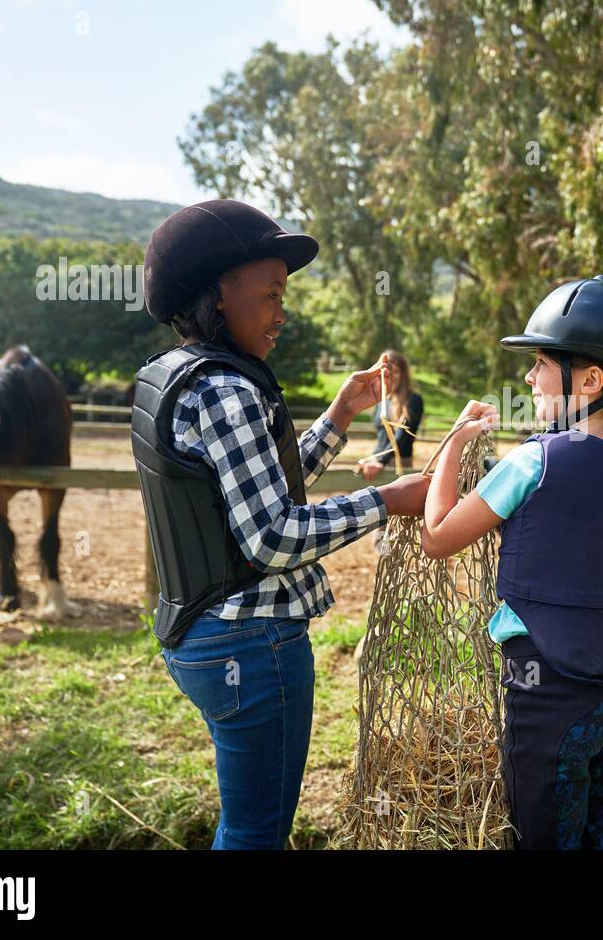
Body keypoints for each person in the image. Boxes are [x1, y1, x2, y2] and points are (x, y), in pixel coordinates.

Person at [131, 199, 430, 849]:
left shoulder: (176, 377)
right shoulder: (229, 391)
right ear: (217, 293)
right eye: (270, 295)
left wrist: (339, 416)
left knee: (243, 824)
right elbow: (271, 537)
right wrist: (390, 500)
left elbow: (252, 485)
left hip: (197, 638)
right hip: (253, 645)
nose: (281, 314)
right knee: (256, 834)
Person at [419, 274, 603, 849]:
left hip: (549, 698)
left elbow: (437, 537)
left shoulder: (534, 460)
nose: (530, 377)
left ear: (589, 379)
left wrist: (457, 441)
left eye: (540, 362)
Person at [359, 349, 425, 480]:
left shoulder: (413, 400)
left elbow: (401, 435)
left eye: (395, 371)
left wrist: (381, 461)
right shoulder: (382, 400)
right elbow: (382, 438)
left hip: (398, 466)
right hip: (376, 461)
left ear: (403, 374)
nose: (390, 375)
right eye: (386, 370)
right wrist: (372, 459)